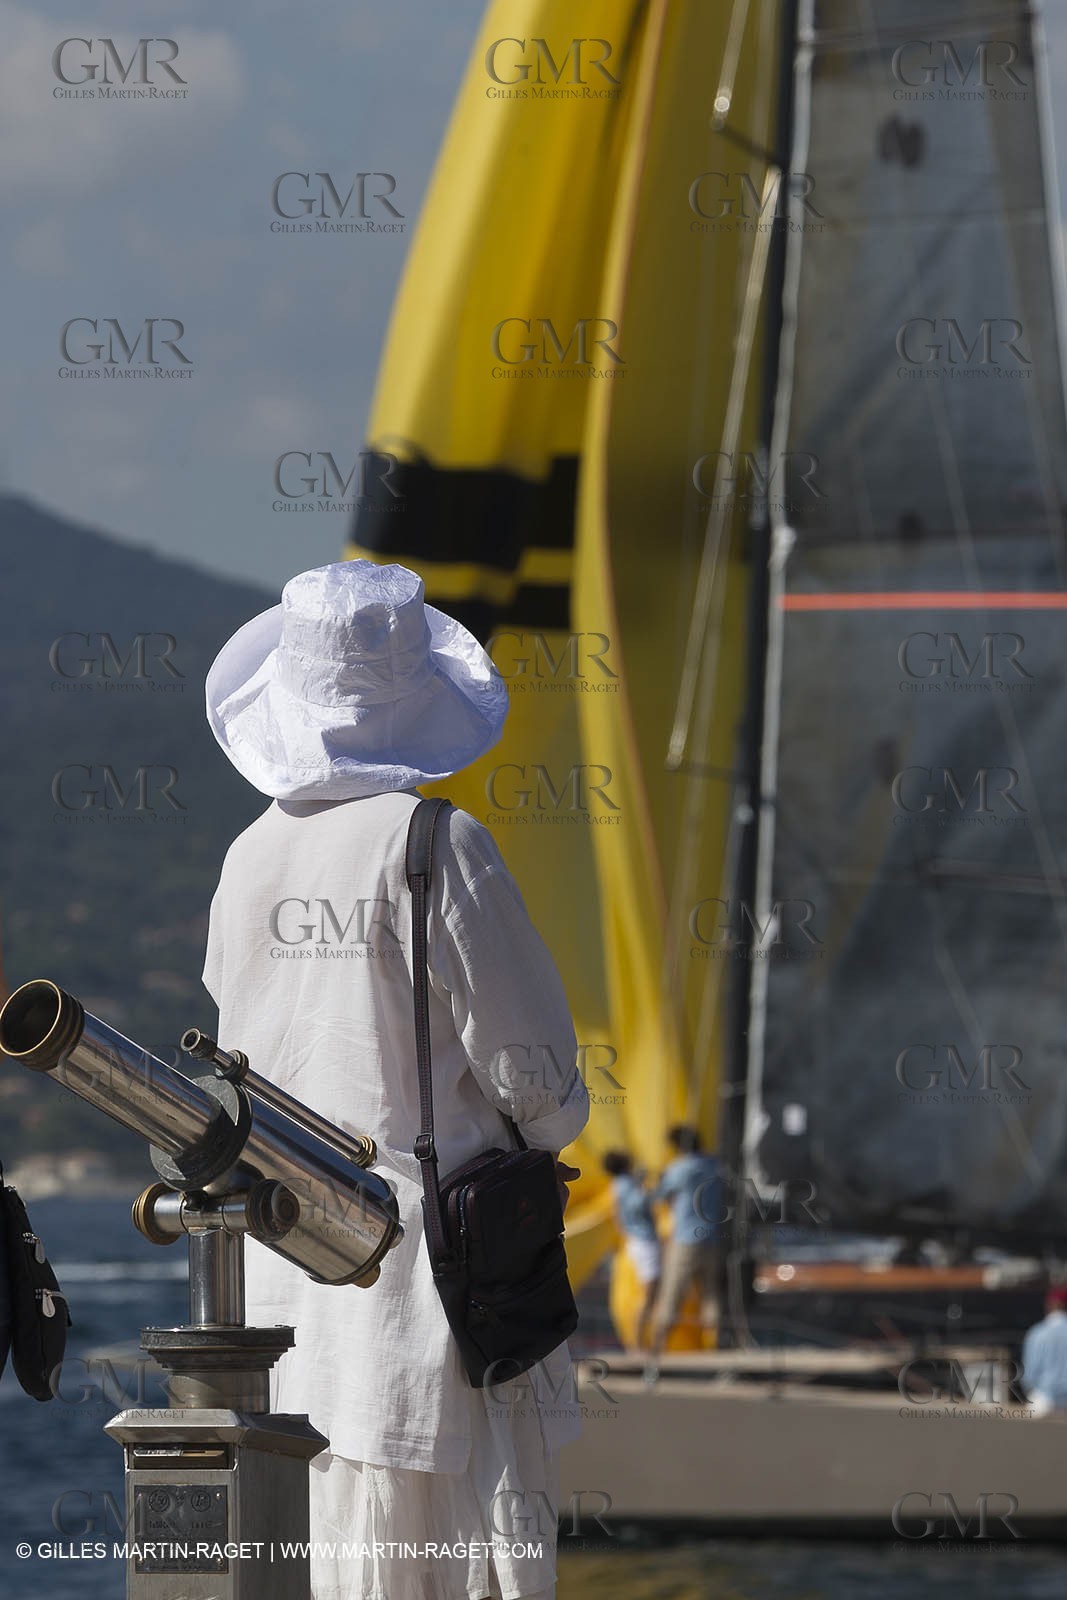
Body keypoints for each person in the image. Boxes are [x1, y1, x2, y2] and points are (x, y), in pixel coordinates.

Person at [202, 560, 589, 1600]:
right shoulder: (436, 845)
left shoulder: (245, 860)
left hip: (286, 1282)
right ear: (417, 700)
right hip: (430, 1291)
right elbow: (540, 1085)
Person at [649, 1125, 721, 1357]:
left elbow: (658, 1196)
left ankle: (656, 1351)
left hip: (685, 1239)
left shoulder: (680, 1168)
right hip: (712, 1237)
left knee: (671, 1295)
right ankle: (714, 1348)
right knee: (711, 1296)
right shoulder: (715, 1165)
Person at [601, 1151, 660, 1352]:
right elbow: (639, 1204)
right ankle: (637, 1344)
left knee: (649, 1294)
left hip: (633, 1242)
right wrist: (645, 1186)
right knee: (649, 1295)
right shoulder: (626, 1183)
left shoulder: (615, 1185)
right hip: (644, 1241)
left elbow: (618, 1219)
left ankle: (638, 1342)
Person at [1021, 1285, 1067, 1414]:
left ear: (1049, 1305)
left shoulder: (1038, 1333)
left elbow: (1029, 1375)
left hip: (1045, 1399)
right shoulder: (1038, 1332)